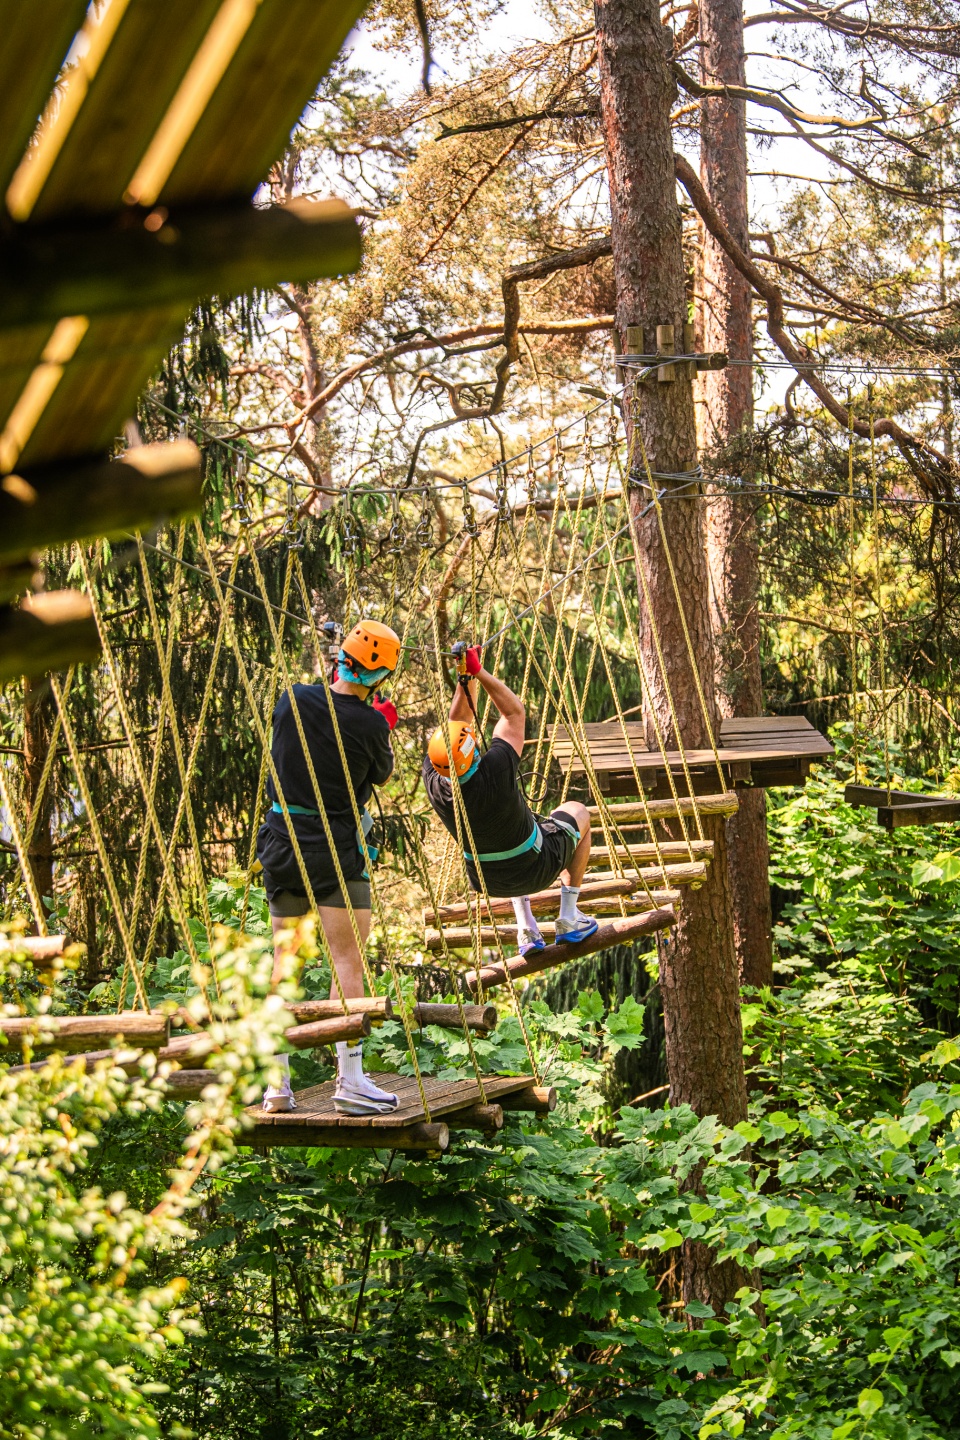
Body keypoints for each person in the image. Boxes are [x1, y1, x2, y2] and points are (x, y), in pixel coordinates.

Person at [256, 619, 402, 1117]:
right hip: (334, 852)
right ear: (380, 676)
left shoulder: (292, 699)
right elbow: (381, 776)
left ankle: (277, 1086)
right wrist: (380, 725)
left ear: (341, 659)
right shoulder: (371, 725)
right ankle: (351, 1079)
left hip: (282, 844)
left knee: (284, 964)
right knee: (347, 962)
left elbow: (301, 737)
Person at [422, 645, 598, 954]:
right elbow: (514, 712)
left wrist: (466, 677)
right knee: (577, 811)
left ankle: (526, 927)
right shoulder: (496, 769)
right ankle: (569, 916)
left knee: (512, 836)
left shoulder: (435, 784)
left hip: (488, 881)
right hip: (536, 869)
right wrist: (478, 672)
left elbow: (457, 723)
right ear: (472, 752)